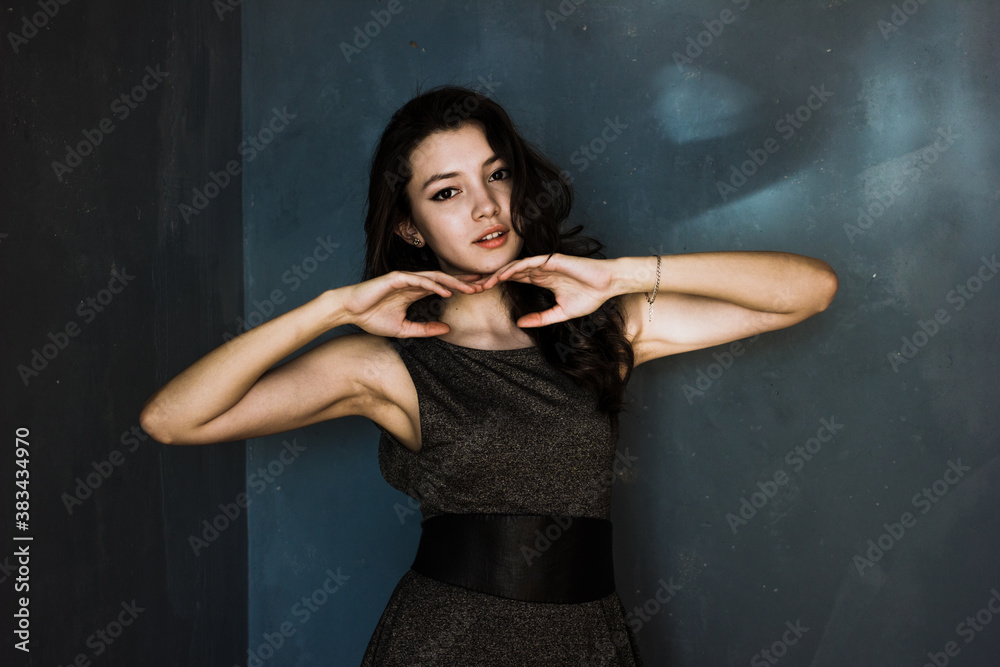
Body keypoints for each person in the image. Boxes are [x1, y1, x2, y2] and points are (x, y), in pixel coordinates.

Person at [139, 85, 838, 665]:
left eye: (496, 175)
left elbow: (809, 290)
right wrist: (330, 309)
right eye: (446, 192)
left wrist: (622, 275)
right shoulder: (388, 364)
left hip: (588, 639)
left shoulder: (595, 326)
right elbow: (172, 418)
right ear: (410, 228)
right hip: (448, 643)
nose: (484, 206)